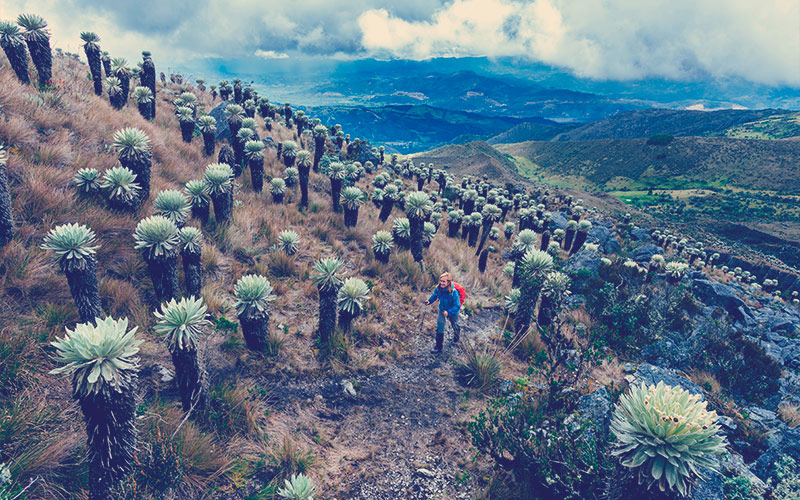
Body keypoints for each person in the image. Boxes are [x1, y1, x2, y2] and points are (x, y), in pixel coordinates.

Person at [424, 272, 462, 353]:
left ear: (448, 282)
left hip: (453, 311)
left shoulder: (454, 292)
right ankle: (438, 347)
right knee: (440, 326)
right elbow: (434, 296)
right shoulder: (438, 289)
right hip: (442, 310)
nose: (441, 283)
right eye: (441, 281)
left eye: (444, 281)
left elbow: (457, 305)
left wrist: (449, 312)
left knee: (454, 324)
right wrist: (429, 301)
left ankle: (456, 338)